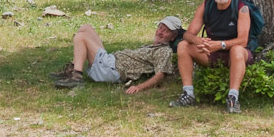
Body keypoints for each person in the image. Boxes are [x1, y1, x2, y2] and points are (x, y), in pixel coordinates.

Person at [170, 0, 252, 113]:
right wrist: (197, 40)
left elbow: (243, 40)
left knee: (237, 50)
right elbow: (187, 34)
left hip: (235, 54)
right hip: (211, 52)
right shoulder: (206, 6)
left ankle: (233, 98)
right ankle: (188, 94)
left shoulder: (241, 8)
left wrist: (220, 45)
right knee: (183, 45)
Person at [50, 16, 183, 93]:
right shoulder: (154, 46)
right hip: (111, 62)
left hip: (112, 69)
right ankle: (72, 69)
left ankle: (76, 76)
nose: (160, 32)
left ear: (172, 37)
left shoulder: (164, 51)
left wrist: (139, 87)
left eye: (165, 31)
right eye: (160, 27)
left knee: (81, 37)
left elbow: (160, 75)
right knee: (86, 28)